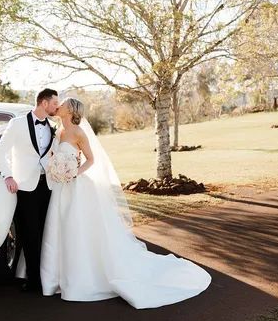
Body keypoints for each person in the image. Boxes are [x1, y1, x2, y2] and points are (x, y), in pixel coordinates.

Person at [40, 97, 212, 308]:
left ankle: (81, 279)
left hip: (76, 186)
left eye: (63, 104)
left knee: (77, 228)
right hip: (60, 188)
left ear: (71, 110)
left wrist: (74, 172)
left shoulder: (78, 132)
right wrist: (56, 168)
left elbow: (91, 159)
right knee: (61, 228)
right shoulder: (59, 131)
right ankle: (56, 277)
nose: (59, 106)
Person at [0, 88, 59, 292]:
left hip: (48, 185)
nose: (57, 106)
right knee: (29, 233)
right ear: (43, 102)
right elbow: (0, 151)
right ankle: (33, 281)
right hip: (25, 186)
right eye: (55, 103)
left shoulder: (53, 126)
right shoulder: (18, 123)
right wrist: (8, 176)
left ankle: (44, 277)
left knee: (45, 233)